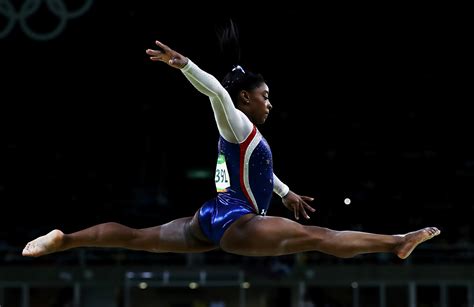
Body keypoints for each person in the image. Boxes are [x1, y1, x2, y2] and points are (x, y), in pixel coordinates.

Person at [22, 24, 440, 260]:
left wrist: (286, 191)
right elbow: (217, 94)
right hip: (238, 222)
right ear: (246, 97)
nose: (270, 103)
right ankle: (397, 241)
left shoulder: (247, 136)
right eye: (266, 96)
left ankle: (66, 238)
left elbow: (259, 172)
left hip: (210, 216)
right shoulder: (236, 121)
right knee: (320, 237)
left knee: (133, 236)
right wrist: (185, 65)